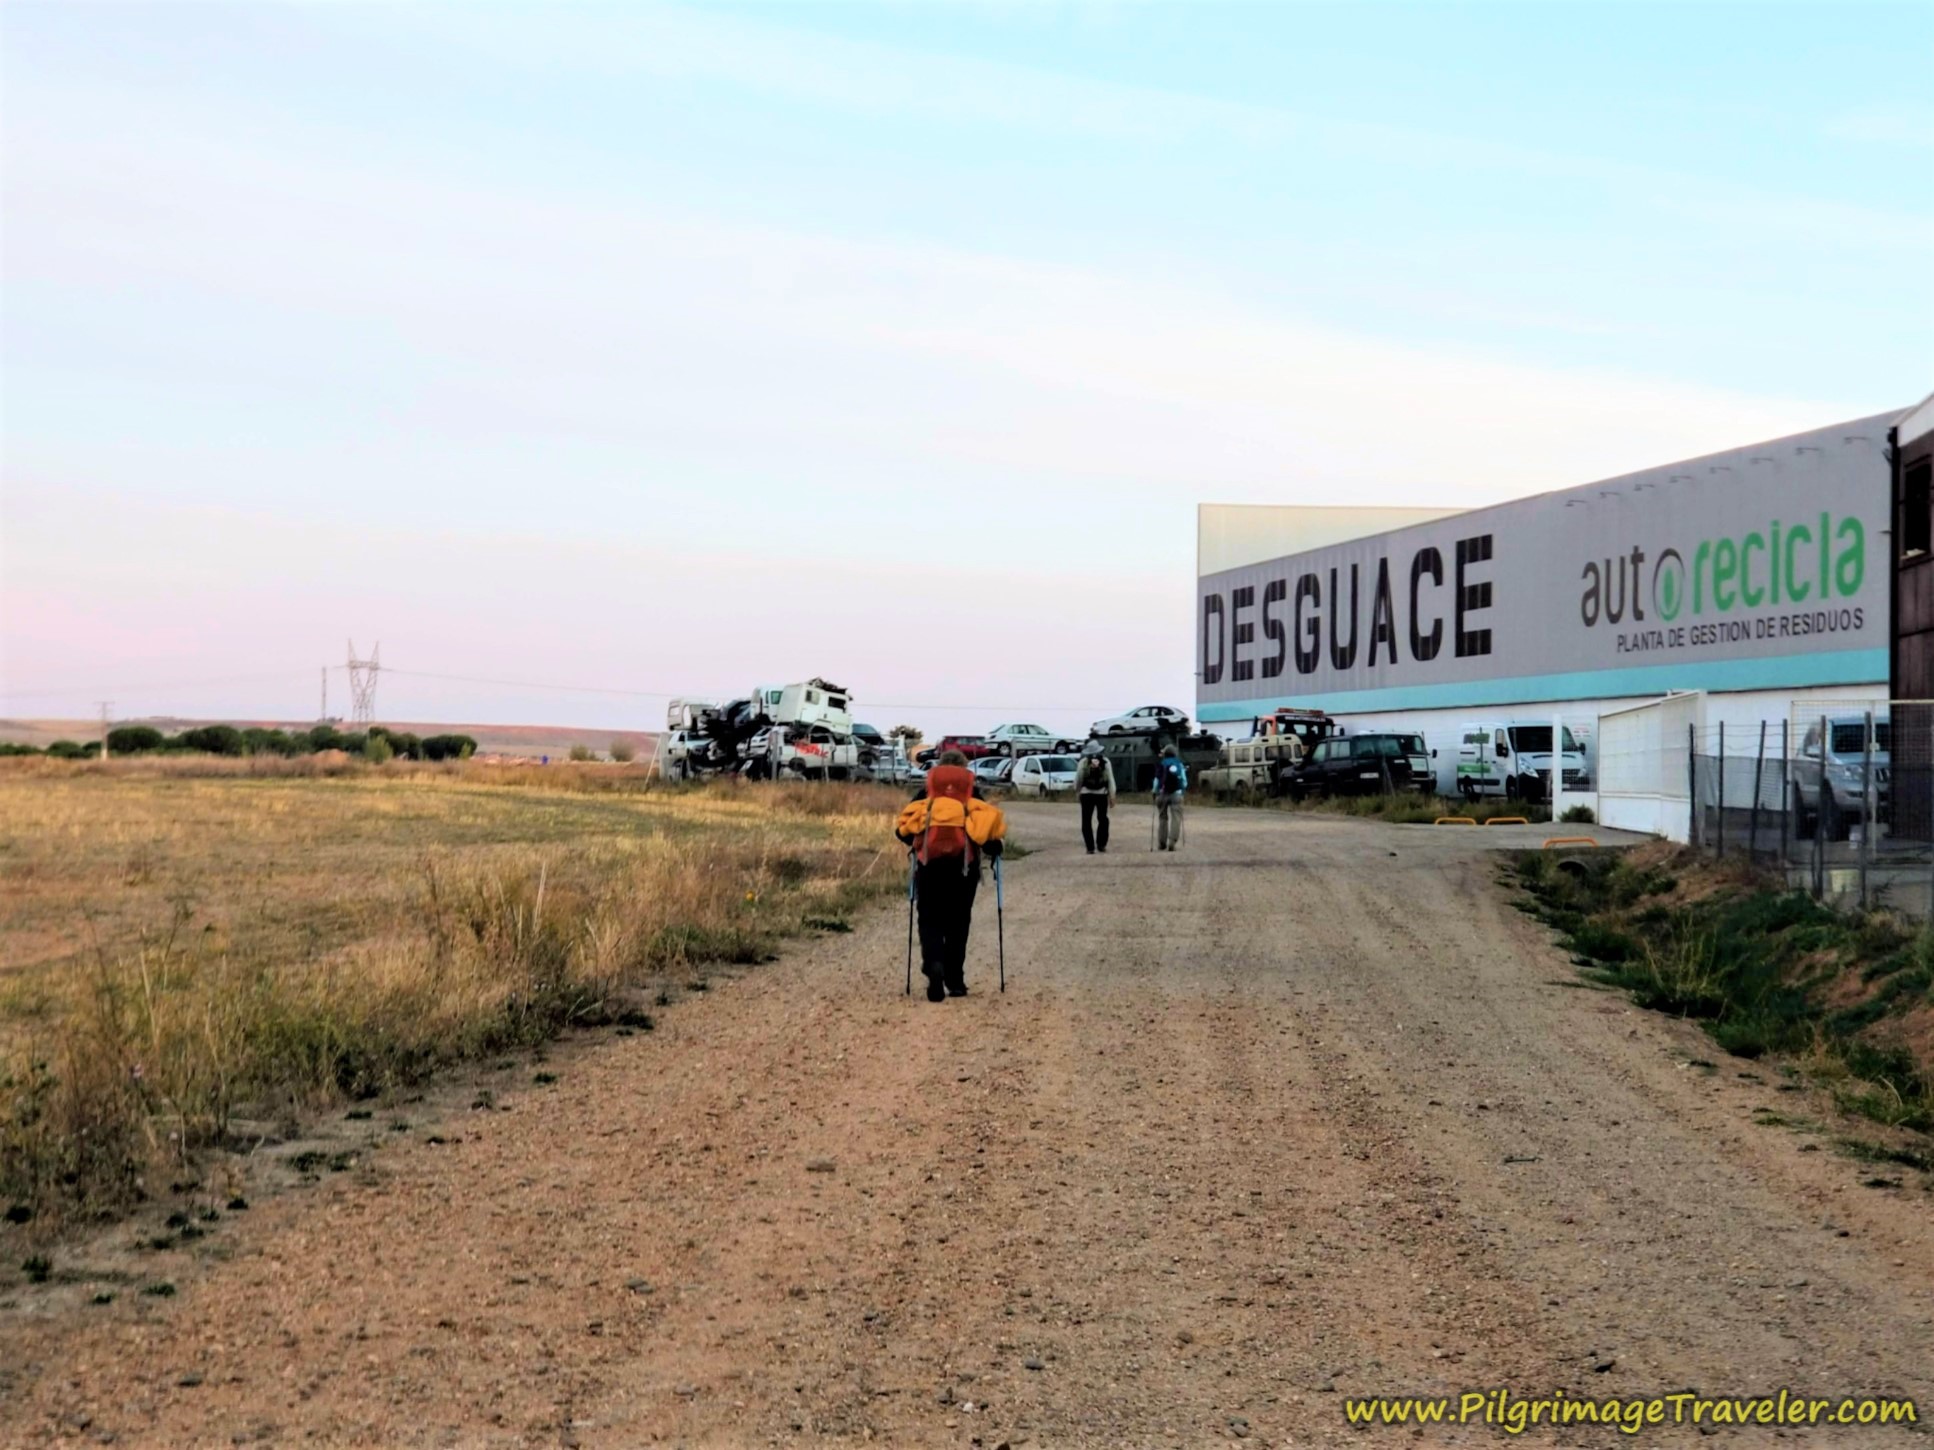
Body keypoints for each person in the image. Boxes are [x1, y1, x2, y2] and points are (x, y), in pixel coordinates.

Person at [895, 749, 1007, 1002]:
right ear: (965, 771)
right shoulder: (971, 796)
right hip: (963, 869)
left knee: (930, 918)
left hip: (929, 866)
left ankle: (934, 962)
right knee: (958, 922)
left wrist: (919, 844)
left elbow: (901, 832)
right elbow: (987, 835)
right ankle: (955, 981)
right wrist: (994, 848)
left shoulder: (926, 796)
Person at [1075, 741, 1115, 853]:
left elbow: (1078, 778)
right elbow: (1110, 779)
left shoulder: (1083, 762)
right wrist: (1112, 795)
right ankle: (1101, 844)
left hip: (1086, 794)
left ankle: (1090, 847)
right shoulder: (1106, 762)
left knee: (1086, 820)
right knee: (1103, 819)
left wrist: (1077, 791)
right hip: (1101, 794)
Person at [1152, 741, 1187, 851]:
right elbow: (1185, 782)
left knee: (1163, 818)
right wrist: (1182, 790)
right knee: (1176, 818)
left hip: (1162, 794)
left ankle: (1162, 843)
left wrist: (1154, 791)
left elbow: (1157, 780)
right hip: (1176, 794)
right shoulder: (1179, 764)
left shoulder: (1162, 764)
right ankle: (1172, 842)